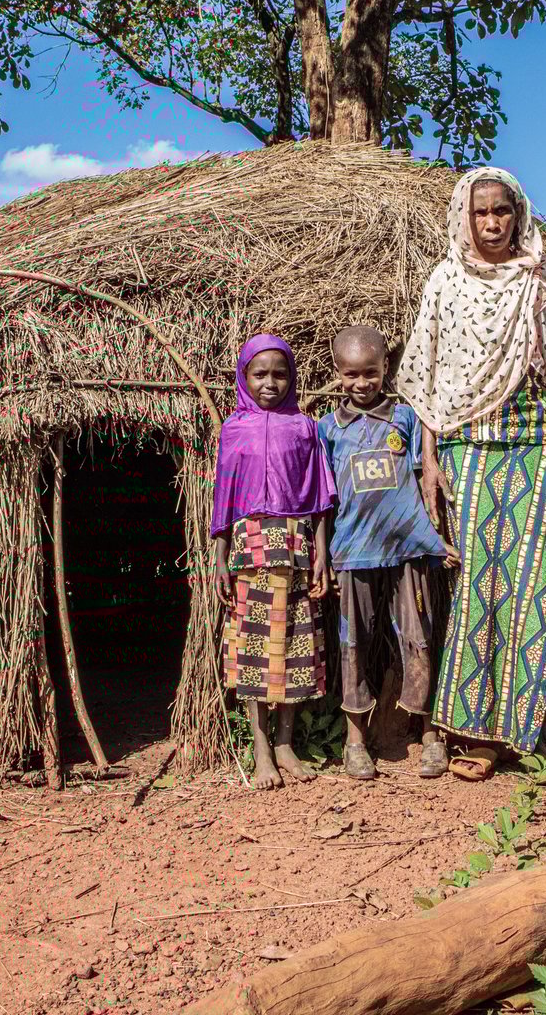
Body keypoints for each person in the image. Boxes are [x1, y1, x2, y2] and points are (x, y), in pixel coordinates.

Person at [398, 167, 546, 781]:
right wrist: (428, 461)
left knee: (538, 584)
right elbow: (426, 381)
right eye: (481, 213)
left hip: (532, 443)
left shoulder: (545, 279)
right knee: (478, 587)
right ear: (464, 216)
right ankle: (473, 733)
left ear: (519, 213)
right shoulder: (446, 281)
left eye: (502, 210)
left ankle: (523, 726)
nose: (492, 223)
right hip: (466, 448)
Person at [317, 325, 458, 781]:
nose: (362, 383)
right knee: (353, 642)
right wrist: (324, 555)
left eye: (371, 373)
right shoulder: (328, 430)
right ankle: (354, 739)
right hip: (353, 552)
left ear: (386, 370)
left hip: (405, 551)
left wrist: (434, 542)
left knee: (418, 637)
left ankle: (429, 731)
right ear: (337, 373)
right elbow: (324, 500)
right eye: (352, 375)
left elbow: (423, 484)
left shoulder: (405, 420)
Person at [211, 334, 338, 790]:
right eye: (260, 374)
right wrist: (220, 559)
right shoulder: (234, 429)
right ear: (244, 377)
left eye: (280, 373)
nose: (271, 383)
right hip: (250, 546)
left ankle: (286, 743)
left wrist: (322, 553)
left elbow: (321, 497)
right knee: (254, 650)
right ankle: (262, 749)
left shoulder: (305, 427)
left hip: (297, 545)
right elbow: (224, 499)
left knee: (297, 645)